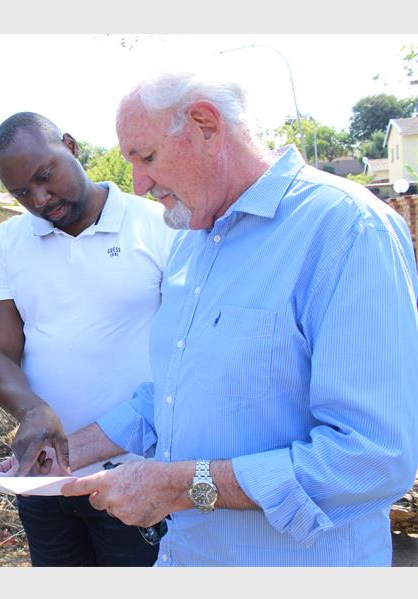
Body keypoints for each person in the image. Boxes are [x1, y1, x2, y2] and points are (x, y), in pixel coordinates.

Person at [58, 70, 418, 566]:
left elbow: (373, 458)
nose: (139, 183)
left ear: (205, 126)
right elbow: (173, 396)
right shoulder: (191, 242)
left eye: (147, 157)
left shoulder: (346, 228)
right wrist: (65, 452)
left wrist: (181, 487)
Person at [0, 112, 176, 566]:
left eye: (45, 177)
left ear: (70, 145)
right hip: (45, 478)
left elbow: (186, 355)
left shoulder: (157, 225)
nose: (40, 199)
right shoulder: (6, 243)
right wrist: (33, 411)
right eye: (21, 193)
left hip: (137, 477)